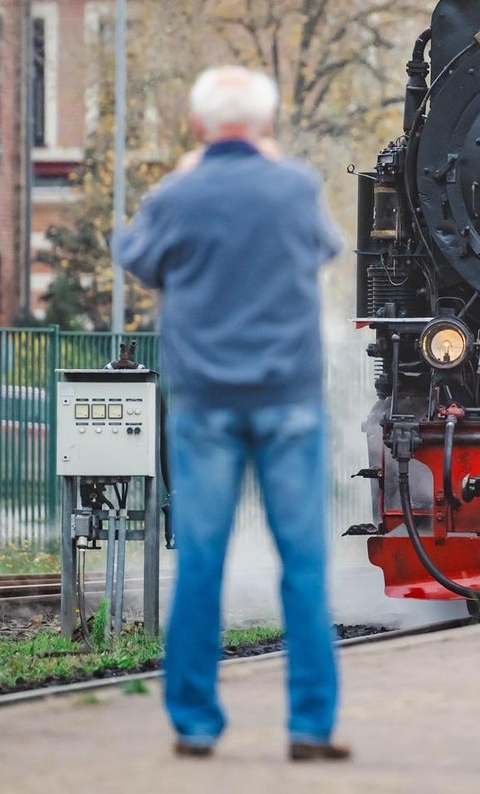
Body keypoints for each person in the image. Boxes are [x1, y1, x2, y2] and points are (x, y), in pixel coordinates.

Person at [116, 66, 348, 762]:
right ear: (266, 126)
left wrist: (182, 181)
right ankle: (310, 726)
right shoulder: (296, 187)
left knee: (200, 565)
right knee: (303, 565)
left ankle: (195, 723)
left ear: (198, 126)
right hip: (289, 399)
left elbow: (135, 257)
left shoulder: (178, 195)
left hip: (206, 402)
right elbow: (327, 249)